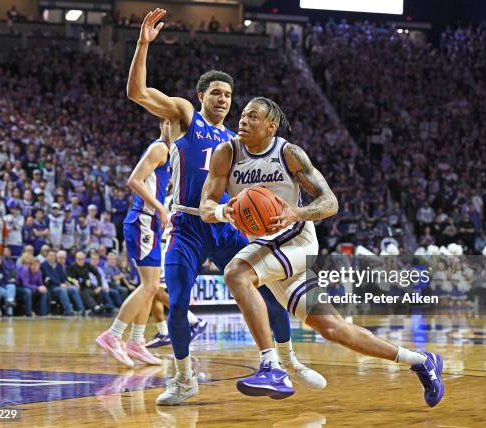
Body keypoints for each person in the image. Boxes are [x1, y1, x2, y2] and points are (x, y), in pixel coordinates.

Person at [127, 9, 324, 406]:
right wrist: (143, 44)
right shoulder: (184, 117)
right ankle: (184, 379)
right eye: (216, 92)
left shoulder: (236, 140)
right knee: (179, 302)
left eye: (229, 95)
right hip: (187, 223)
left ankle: (285, 360)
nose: (223, 99)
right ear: (201, 97)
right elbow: (138, 93)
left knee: (270, 290)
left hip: (227, 224)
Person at [199, 97, 445, 407]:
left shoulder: (288, 154)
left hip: (297, 241)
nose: (243, 120)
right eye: (243, 115)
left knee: (237, 273)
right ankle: (421, 360)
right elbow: (206, 205)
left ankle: (271, 367)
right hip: (267, 247)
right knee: (333, 328)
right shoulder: (227, 154)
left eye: (252, 116)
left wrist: (296, 213)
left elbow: (330, 202)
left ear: (271, 126)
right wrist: (224, 212)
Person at [96, 119, 173, 367]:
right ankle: (113, 335)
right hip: (144, 220)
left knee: (148, 286)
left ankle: (136, 342)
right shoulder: (159, 148)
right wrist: (161, 207)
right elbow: (134, 180)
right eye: (173, 123)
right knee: (150, 286)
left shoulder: (173, 154)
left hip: (151, 223)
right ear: (163, 124)